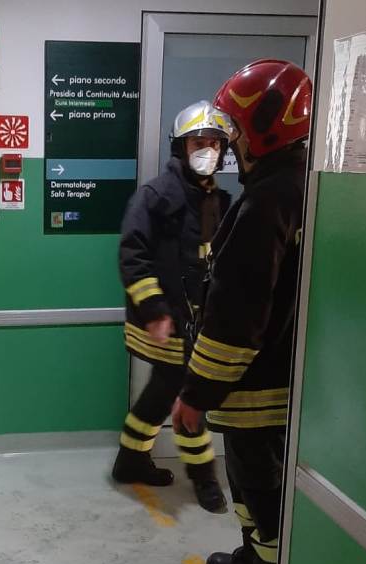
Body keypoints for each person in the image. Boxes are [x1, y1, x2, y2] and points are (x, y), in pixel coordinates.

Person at [172, 60, 312, 564]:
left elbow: (237, 314)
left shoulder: (266, 200)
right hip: (266, 380)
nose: (228, 139)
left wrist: (196, 394)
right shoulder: (294, 186)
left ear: (264, 127)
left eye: (233, 126)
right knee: (250, 483)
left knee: (260, 487)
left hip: (257, 389)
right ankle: (257, 557)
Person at [112, 100, 233, 514]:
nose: (208, 151)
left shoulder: (219, 200)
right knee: (185, 393)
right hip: (164, 321)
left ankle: (129, 460)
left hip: (196, 322)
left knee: (163, 393)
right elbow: (133, 255)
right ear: (181, 147)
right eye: (200, 143)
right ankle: (204, 478)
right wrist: (156, 310)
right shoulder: (156, 196)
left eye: (215, 144)